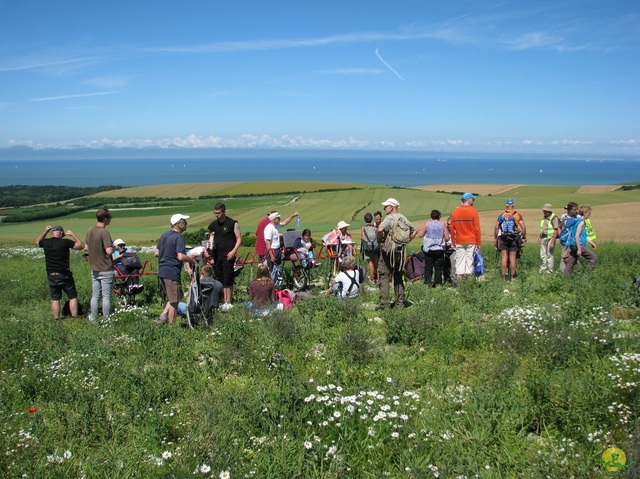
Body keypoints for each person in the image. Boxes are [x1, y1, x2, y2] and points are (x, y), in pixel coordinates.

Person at [36, 225, 85, 320]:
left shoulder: (46, 242)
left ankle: (56, 319)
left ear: (52, 233)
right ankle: (75, 317)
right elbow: (81, 246)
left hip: (51, 274)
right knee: (72, 296)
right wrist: (72, 234)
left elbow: (37, 242)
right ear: (62, 233)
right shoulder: (65, 242)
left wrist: (45, 231)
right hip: (64, 274)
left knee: (55, 299)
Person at [156, 214, 197, 324]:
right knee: (174, 301)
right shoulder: (178, 237)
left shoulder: (164, 235)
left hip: (162, 270)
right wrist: (192, 260)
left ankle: (163, 315)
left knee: (176, 296)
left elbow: (156, 253)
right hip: (172, 271)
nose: (186, 224)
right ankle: (171, 327)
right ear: (178, 224)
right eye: (184, 221)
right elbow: (180, 256)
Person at [377, 198, 417, 309]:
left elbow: (380, 229)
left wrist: (379, 240)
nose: (384, 208)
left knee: (384, 276)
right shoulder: (403, 218)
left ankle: (384, 304)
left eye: (386, 206)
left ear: (392, 207)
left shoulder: (389, 218)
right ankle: (400, 302)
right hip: (400, 251)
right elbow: (414, 230)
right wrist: (406, 241)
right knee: (398, 276)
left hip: (388, 251)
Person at [208, 202, 243, 311]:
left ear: (224, 212)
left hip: (228, 255)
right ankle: (223, 299)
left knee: (228, 278)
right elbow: (211, 239)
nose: (216, 215)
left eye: (218, 213)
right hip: (217, 256)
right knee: (219, 279)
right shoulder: (213, 225)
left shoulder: (232, 223)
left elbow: (239, 239)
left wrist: (233, 251)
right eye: (215, 213)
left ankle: (228, 300)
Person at [85, 208, 115, 322]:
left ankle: (94, 319)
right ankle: (107, 320)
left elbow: (86, 247)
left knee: (95, 295)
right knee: (106, 296)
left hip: (94, 267)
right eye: (110, 218)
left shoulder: (90, 230)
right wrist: (114, 247)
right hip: (106, 267)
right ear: (105, 219)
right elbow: (108, 251)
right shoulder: (104, 232)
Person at [449, 193, 482, 281]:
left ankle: (460, 284)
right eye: (472, 199)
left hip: (459, 240)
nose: (473, 201)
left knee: (459, 263)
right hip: (471, 240)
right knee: (469, 262)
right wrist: (479, 242)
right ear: (469, 200)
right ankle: (468, 283)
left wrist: (453, 241)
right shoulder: (473, 211)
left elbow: (452, 228)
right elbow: (477, 229)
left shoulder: (455, 211)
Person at [494, 198, 526, 280]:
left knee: (504, 257)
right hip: (514, 238)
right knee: (512, 258)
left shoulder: (502, 215)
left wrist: (496, 238)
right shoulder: (517, 215)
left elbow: (496, 227)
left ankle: (503, 276)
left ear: (506, 205)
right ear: (513, 205)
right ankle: (512, 277)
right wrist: (523, 237)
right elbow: (523, 228)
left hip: (504, 238)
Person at [417, 209, 449, 287]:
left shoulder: (427, 224)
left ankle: (427, 282)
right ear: (439, 216)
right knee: (438, 267)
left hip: (429, 249)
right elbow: (447, 237)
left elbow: (420, 235)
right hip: (439, 249)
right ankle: (438, 283)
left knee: (428, 267)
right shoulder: (442, 224)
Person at [563, 203, 598, 275]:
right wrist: (579, 249)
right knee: (593, 258)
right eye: (589, 212)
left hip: (572, 245)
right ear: (584, 213)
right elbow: (577, 236)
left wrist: (591, 243)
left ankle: (565, 277)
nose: (590, 214)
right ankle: (587, 276)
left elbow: (583, 236)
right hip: (578, 244)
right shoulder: (581, 222)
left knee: (571, 262)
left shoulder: (577, 220)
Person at [537, 203, 559, 274]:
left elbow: (556, 230)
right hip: (544, 237)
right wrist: (540, 236)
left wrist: (553, 241)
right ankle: (543, 269)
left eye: (546, 211)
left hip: (550, 238)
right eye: (544, 211)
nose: (544, 212)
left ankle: (550, 271)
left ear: (549, 211)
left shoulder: (554, 218)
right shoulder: (544, 217)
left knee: (549, 254)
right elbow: (543, 228)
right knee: (543, 254)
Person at [361, 213, 380, 283]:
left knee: (370, 264)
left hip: (367, 248)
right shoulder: (375, 227)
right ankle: (378, 279)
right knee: (377, 263)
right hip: (375, 247)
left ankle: (372, 279)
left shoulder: (363, 227)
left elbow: (362, 237)